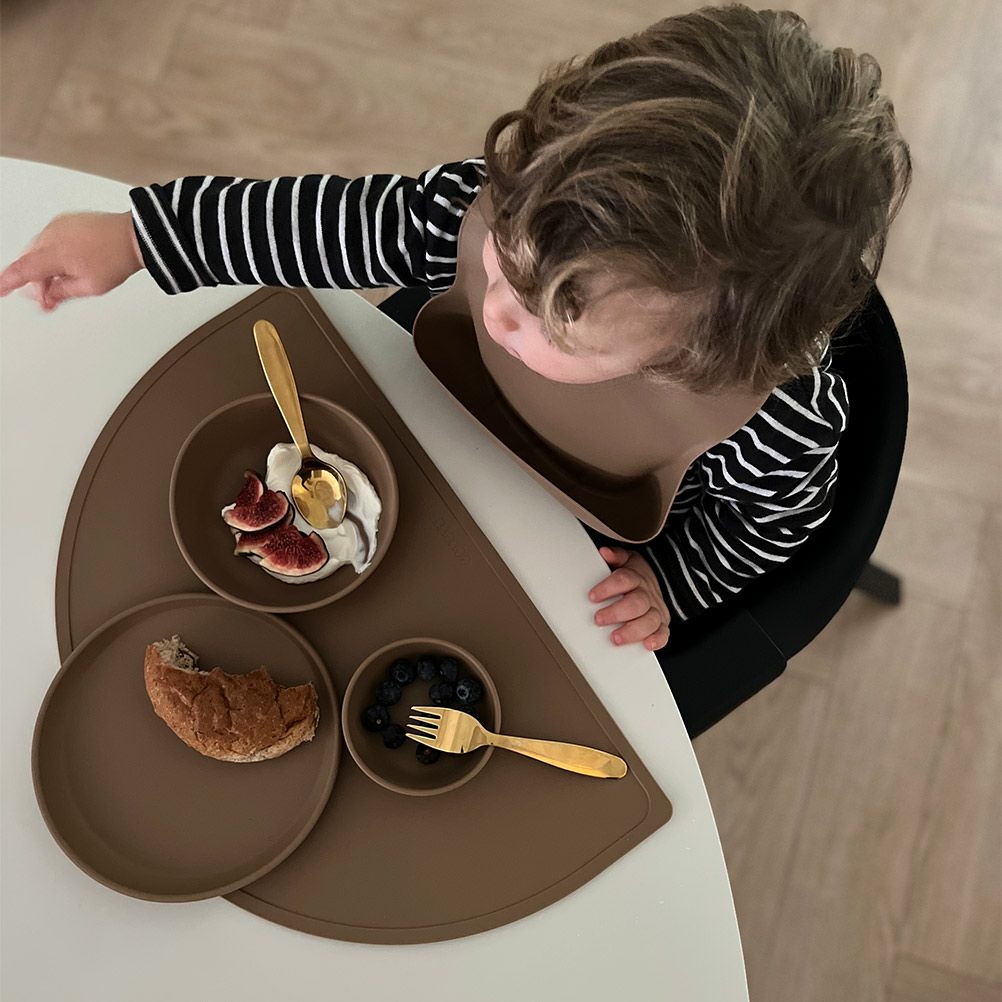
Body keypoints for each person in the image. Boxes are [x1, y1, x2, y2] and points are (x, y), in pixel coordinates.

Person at [0, 4, 912, 658]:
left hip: (556, 547)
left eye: (559, 317)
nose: (498, 306)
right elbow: (329, 224)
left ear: (695, 359)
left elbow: (768, 528)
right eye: (504, 251)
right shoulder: (497, 203)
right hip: (413, 438)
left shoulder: (777, 422)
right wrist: (143, 237)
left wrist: (670, 580)